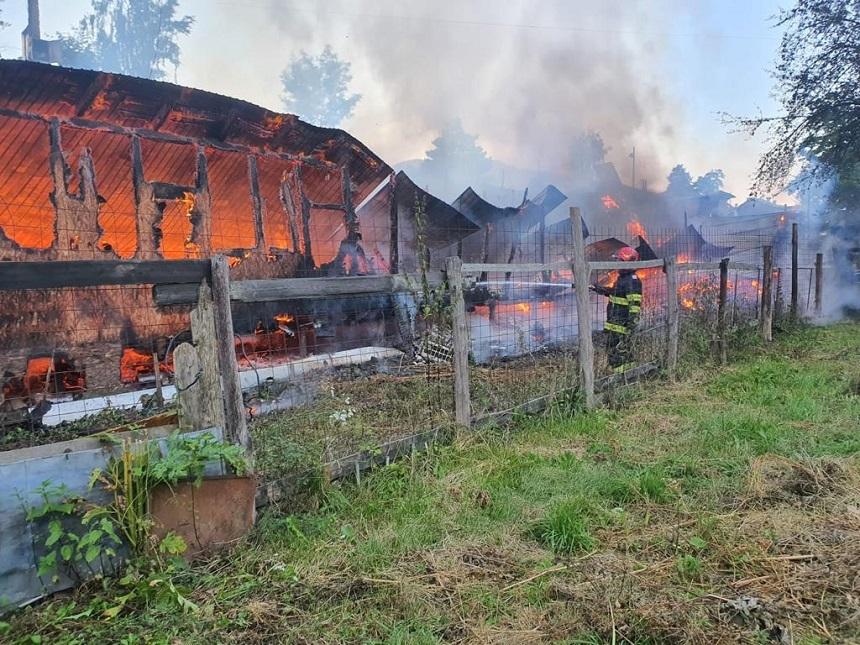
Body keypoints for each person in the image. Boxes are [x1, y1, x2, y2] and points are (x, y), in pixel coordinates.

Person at [589, 246, 642, 374]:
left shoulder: (632, 281)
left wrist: (631, 325)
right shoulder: (623, 279)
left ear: (627, 263)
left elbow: (634, 306)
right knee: (622, 352)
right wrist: (599, 289)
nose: (617, 264)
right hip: (615, 324)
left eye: (620, 261)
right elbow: (617, 293)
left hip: (621, 326)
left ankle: (619, 379)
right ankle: (629, 375)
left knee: (617, 353)